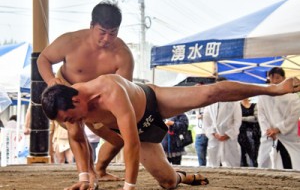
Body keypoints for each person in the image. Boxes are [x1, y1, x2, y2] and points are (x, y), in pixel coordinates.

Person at [41, 73, 300, 190]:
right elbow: (77, 138)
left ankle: (273, 89)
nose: (71, 122)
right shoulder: (69, 110)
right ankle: (183, 176)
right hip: (138, 134)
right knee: (167, 182)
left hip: (154, 102)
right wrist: (84, 176)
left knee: (210, 92)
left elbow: (130, 144)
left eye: (70, 117)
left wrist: (129, 187)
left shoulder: (109, 90)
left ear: (76, 101)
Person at [37, 0, 134, 180]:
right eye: (102, 32)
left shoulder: (123, 54)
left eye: (113, 33)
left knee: (118, 140)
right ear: (91, 26)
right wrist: (51, 80)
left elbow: (125, 89)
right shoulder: (70, 41)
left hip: (97, 102)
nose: (106, 39)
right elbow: (43, 59)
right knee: (76, 132)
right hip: (68, 98)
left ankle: (100, 169)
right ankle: (86, 174)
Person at [257, 67, 300, 170]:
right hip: (269, 135)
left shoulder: (292, 97)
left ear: (284, 78)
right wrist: (268, 130)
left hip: (287, 135)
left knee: (290, 163)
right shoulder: (263, 96)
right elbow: (261, 115)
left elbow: (293, 116)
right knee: (264, 162)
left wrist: (277, 129)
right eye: (271, 78)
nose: (274, 81)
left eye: (277, 78)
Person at [202, 77, 242, 167]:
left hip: (229, 138)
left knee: (231, 165)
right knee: (213, 164)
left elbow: (237, 121)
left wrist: (228, 134)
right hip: (214, 138)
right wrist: (213, 133)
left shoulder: (234, 101)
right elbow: (206, 120)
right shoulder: (210, 101)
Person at [238, 98, 260, 167]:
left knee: (253, 154)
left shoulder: (254, 105)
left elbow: (256, 118)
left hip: (253, 133)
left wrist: (241, 118)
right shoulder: (237, 106)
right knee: (242, 155)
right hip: (240, 133)